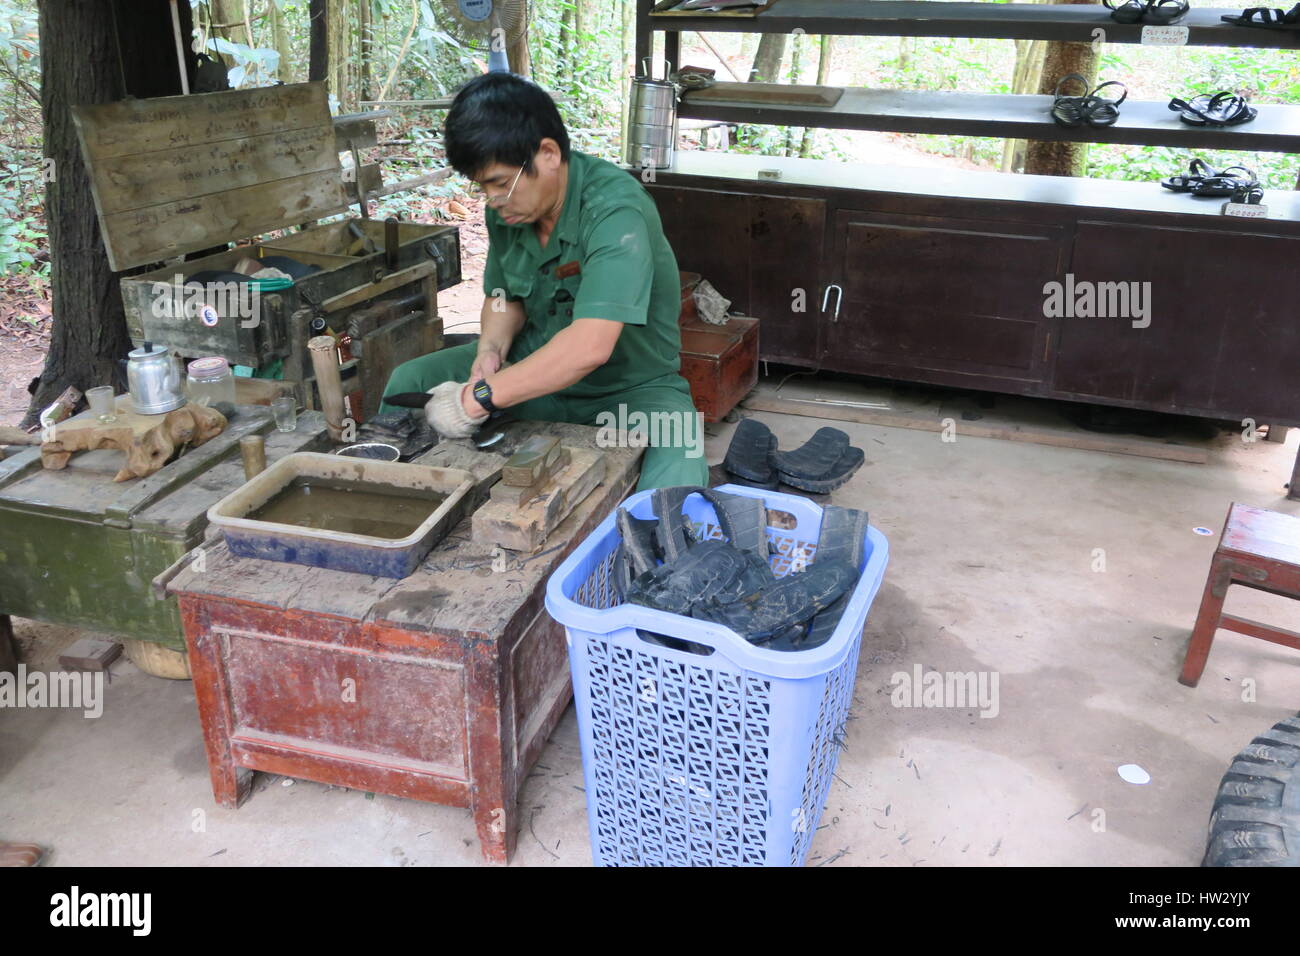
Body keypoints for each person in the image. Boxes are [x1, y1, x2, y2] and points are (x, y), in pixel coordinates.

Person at [381, 72, 709, 492]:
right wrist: (489, 350)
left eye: (500, 184)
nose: (494, 201)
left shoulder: (615, 211)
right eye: (483, 188)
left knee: (676, 476)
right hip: (528, 369)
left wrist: (476, 399)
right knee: (408, 384)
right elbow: (502, 296)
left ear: (549, 153)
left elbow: (589, 347)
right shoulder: (507, 210)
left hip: (627, 391)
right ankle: (394, 499)